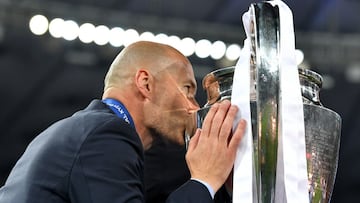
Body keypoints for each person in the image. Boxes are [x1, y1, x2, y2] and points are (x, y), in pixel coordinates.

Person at [0, 41, 246, 203]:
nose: (193, 107)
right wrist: (204, 179)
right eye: (187, 89)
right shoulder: (104, 135)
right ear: (146, 83)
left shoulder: (85, 133)